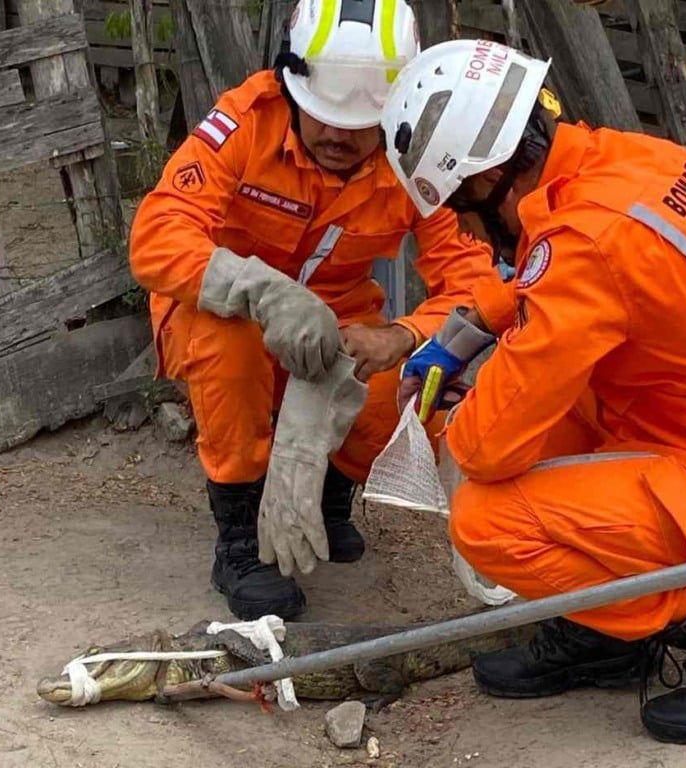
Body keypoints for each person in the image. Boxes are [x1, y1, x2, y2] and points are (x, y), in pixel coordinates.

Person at [381, 40, 686, 746]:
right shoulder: (627, 159)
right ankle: (603, 629)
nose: (460, 227)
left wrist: (453, 412)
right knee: (553, 424)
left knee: (492, 520)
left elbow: (487, 447)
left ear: (484, 181)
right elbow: (553, 264)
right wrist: (474, 323)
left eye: (459, 209)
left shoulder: (586, 246)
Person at [128, 1, 515, 622]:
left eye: (361, 123)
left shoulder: (418, 153)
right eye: (323, 116)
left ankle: (332, 494)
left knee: (412, 383)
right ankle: (238, 540)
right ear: (292, 83)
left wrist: (402, 334)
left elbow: (472, 281)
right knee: (230, 347)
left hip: (344, 328)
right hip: (228, 314)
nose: (337, 135)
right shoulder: (245, 121)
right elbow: (158, 236)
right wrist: (263, 293)